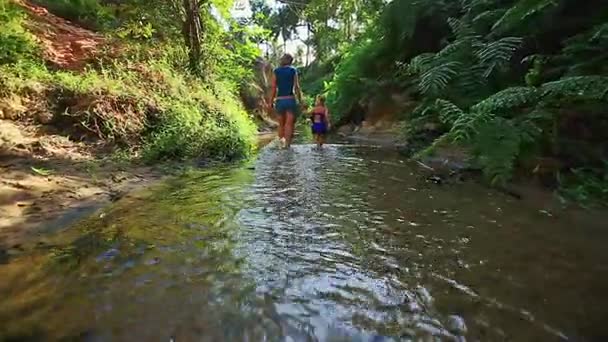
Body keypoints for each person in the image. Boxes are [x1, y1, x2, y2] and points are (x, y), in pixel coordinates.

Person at [268, 53, 304, 149]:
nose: (280, 59)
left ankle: (281, 142)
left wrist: (270, 101)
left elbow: (273, 88)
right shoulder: (293, 70)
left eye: (282, 58)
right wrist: (301, 100)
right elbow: (296, 87)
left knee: (281, 123)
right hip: (290, 99)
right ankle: (287, 145)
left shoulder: (276, 71)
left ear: (285, 60)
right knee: (289, 123)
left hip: (280, 100)